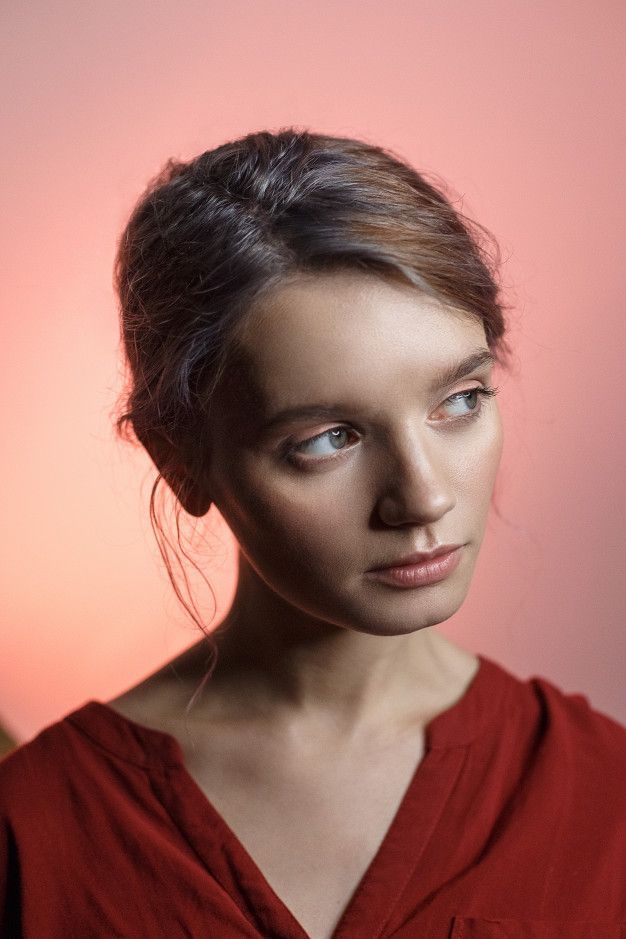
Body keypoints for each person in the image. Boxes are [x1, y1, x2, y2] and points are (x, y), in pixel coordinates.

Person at [1, 128, 625, 939]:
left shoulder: (603, 793)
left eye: (461, 399)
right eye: (328, 437)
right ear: (182, 460)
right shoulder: (39, 832)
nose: (424, 495)